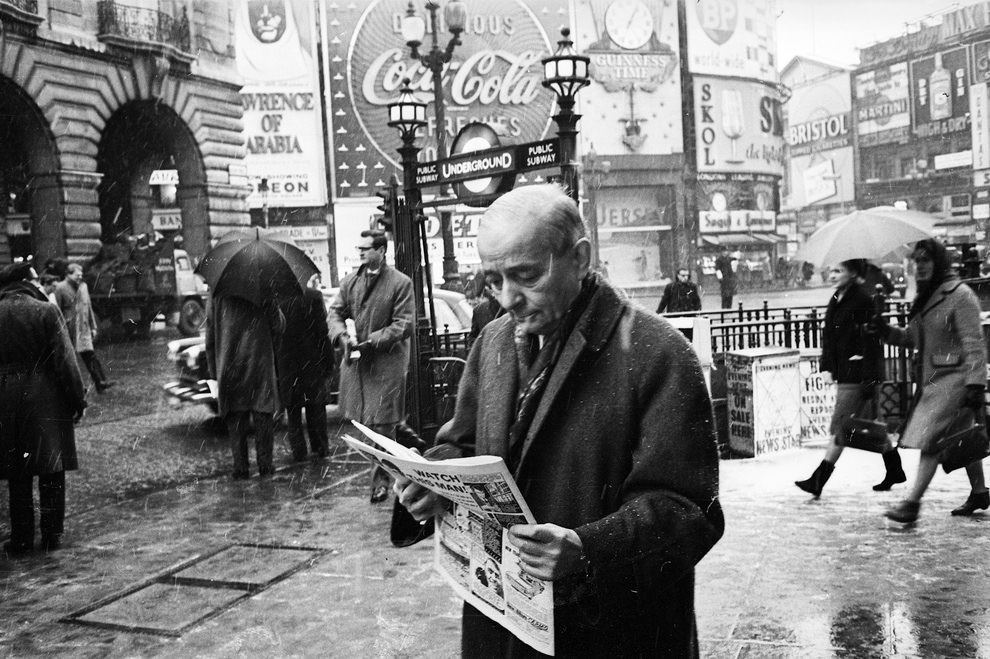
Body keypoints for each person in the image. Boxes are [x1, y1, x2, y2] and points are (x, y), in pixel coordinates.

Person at [394, 185, 724, 657]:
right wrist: (431, 478)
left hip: (610, 635)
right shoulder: (492, 342)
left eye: (526, 275)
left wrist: (588, 550)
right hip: (502, 625)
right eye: (492, 280)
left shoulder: (660, 354)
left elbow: (691, 510)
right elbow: (463, 446)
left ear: (580, 258)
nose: (507, 298)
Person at [871, 239, 989, 523]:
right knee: (959, 440)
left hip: (954, 380)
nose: (920, 266)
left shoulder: (960, 296)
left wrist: (975, 384)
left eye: (926, 260)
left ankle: (912, 504)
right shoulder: (927, 298)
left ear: (939, 263)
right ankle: (980, 491)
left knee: (931, 442)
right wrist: (885, 331)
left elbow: (974, 343)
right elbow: (912, 339)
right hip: (933, 380)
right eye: (916, 261)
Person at [794, 259, 905, 497]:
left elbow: (872, 343)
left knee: (840, 426)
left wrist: (869, 380)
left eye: (838, 270)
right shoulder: (836, 299)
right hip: (845, 371)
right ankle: (895, 469)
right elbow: (829, 338)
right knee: (868, 427)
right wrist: (826, 366)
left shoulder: (863, 300)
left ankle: (818, 480)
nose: (832, 275)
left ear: (853, 273)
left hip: (859, 374)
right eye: (831, 270)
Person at [0, 262, 87, 555]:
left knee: (17, 472)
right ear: (27, 281)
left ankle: (21, 537)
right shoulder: (45, 311)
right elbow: (65, 360)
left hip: (5, 399)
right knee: (51, 468)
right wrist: (77, 400)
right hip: (45, 396)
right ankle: (51, 534)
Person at [328, 229, 413, 503]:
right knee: (369, 425)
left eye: (366, 248)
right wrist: (342, 336)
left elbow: (404, 324)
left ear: (381, 250)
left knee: (383, 426)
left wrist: (372, 341)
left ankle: (381, 483)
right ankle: (405, 455)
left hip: (387, 365)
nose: (361, 253)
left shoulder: (401, 283)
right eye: (359, 248)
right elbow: (335, 312)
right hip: (360, 368)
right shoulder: (351, 281)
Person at [205, 294, 284, 479]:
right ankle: (266, 467)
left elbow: (210, 336)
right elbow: (279, 326)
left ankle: (241, 470)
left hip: (230, 367)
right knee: (263, 418)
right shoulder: (262, 288)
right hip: (259, 365)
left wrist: (213, 373)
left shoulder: (217, 294)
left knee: (236, 422)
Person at [276, 275, 335, 462]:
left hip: (287, 365)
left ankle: (299, 452)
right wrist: (328, 361)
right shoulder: (313, 296)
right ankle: (320, 448)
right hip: (311, 363)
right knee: (315, 409)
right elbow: (322, 333)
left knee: (293, 413)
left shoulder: (276, 300)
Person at [54, 263, 115, 393]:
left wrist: (93, 326)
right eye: (77, 275)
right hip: (70, 328)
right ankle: (75, 388)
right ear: (68, 274)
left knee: (90, 356)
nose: (79, 277)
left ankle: (101, 382)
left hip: (83, 328)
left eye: (81, 275)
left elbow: (89, 308)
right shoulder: (60, 288)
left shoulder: (83, 287)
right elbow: (57, 310)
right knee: (70, 360)